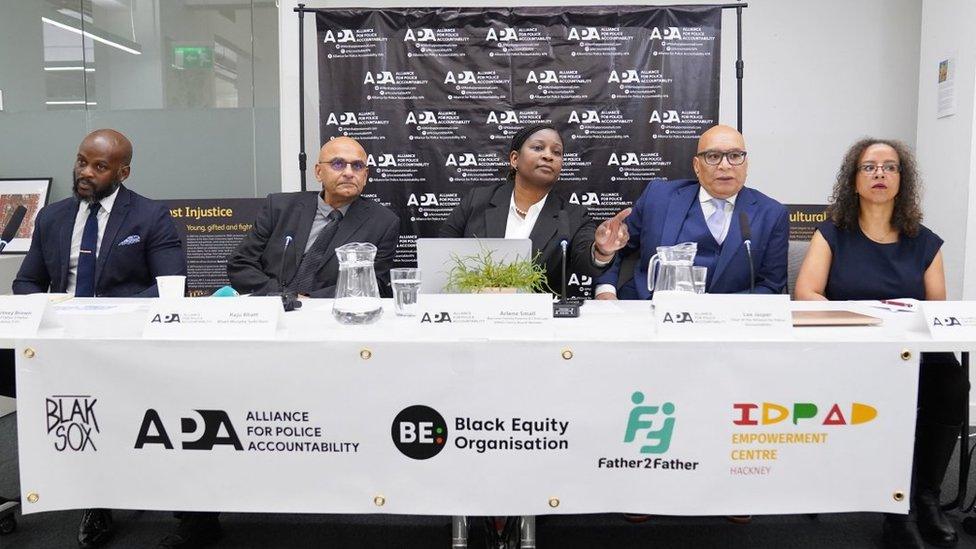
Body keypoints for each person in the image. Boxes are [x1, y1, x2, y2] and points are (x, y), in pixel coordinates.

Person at [12, 129, 186, 549]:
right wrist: (56, 310)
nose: (85, 173)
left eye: (99, 166)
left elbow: (170, 285)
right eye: (81, 161)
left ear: (123, 171)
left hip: (124, 341)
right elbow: (26, 281)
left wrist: (105, 317)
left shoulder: (149, 216)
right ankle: (94, 497)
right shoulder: (53, 217)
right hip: (62, 340)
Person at [795, 138, 968, 549]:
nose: (879, 174)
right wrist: (866, 320)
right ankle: (894, 508)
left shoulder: (926, 242)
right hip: (855, 349)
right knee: (890, 391)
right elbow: (806, 294)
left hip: (912, 351)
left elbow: (934, 309)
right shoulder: (831, 234)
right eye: (870, 167)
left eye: (890, 167)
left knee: (953, 384)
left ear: (901, 182)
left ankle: (925, 496)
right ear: (853, 181)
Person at [593, 124, 789, 299]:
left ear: (746, 164)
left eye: (735, 156)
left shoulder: (771, 214)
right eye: (713, 156)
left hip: (728, 325)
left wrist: (719, 313)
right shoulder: (659, 197)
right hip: (651, 312)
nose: (725, 165)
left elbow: (771, 286)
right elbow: (616, 247)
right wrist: (605, 292)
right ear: (697, 166)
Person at [439, 123, 631, 296]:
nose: (548, 155)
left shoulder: (573, 216)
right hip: (474, 314)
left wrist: (603, 250)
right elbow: (442, 254)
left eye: (556, 152)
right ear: (515, 159)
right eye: (538, 148)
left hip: (540, 323)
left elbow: (586, 263)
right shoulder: (477, 201)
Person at [228, 136, 400, 298]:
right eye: (338, 164)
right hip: (271, 309)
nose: (349, 172)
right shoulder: (279, 207)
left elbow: (375, 284)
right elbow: (241, 264)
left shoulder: (383, 223)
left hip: (332, 318)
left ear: (365, 176)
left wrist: (310, 301)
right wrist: (284, 297)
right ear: (318, 172)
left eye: (357, 166)